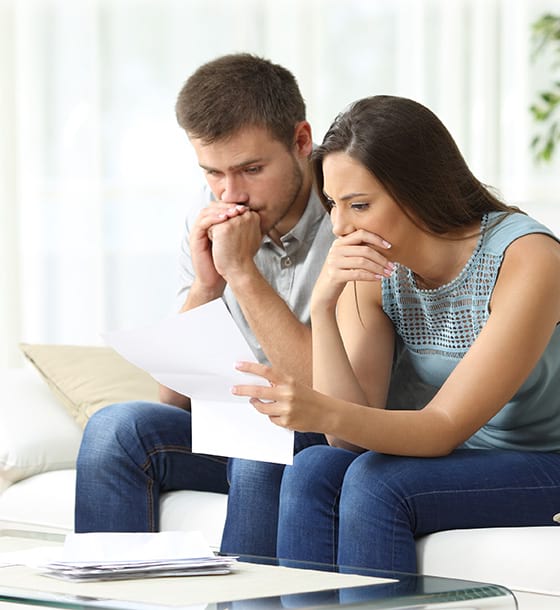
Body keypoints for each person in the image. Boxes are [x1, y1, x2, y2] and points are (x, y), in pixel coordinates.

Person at [75, 55, 430, 542]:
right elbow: (173, 401)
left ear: (301, 142)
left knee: (265, 447)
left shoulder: (354, 220)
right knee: (116, 427)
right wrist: (206, 286)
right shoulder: (210, 223)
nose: (231, 193)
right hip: (239, 429)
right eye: (213, 173)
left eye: (250, 169)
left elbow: (332, 406)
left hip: (329, 429)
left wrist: (242, 273)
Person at [230, 95, 560, 574]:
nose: (341, 227)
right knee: (314, 467)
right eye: (332, 206)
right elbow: (346, 441)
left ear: (418, 189)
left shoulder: (528, 258)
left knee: (375, 482)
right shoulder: (373, 267)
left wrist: (317, 406)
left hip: (546, 461)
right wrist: (323, 308)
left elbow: (444, 427)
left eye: (359, 205)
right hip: (469, 456)